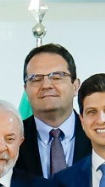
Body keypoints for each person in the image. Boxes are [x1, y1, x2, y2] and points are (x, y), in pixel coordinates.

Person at [16, 43, 90, 179]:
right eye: (35, 79)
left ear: (75, 86)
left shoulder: (98, 134)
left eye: (57, 77)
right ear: (26, 89)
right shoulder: (12, 139)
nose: (46, 85)